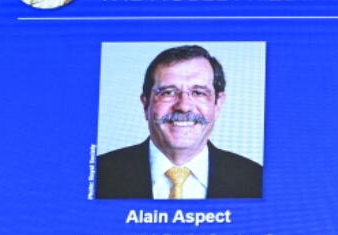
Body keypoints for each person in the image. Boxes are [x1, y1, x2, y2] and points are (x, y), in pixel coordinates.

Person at [96, 45, 262, 199]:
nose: (183, 106)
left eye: (198, 93)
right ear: (146, 104)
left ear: (217, 105)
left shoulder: (256, 179)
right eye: (168, 92)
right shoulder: (98, 174)